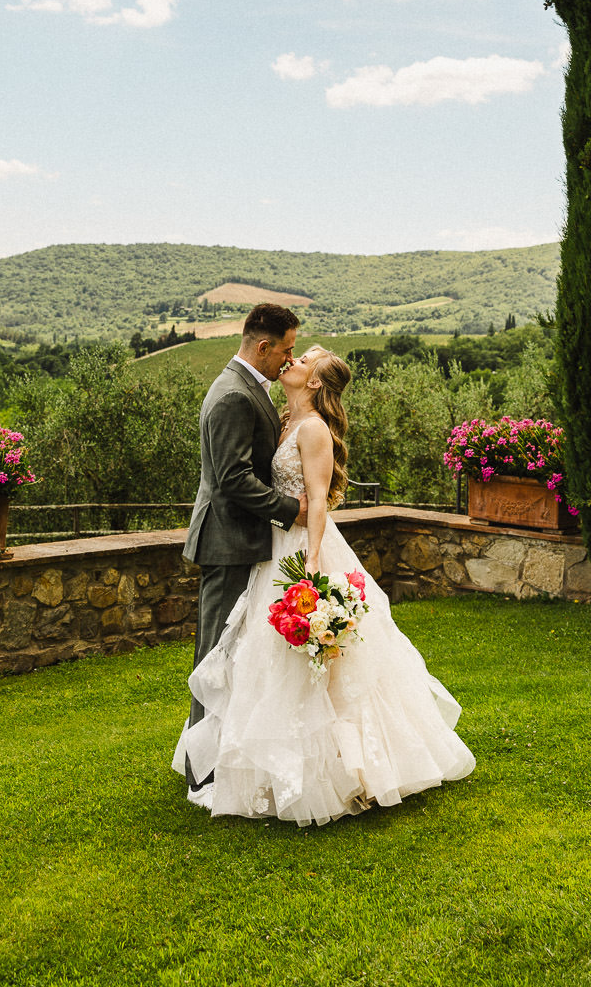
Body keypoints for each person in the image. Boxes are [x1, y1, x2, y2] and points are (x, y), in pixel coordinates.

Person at [173, 342, 475, 823]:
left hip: (301, 549)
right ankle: (250, 764)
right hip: (271, 546)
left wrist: (310, 567)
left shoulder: (313, 430)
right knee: (258, 656)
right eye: (293, 354)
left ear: (314, 382)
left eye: (304, 359)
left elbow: (317, 500)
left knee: (309, 665)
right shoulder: (285, 420)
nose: (293, 361)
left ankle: (334, 770)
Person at [179, 302, 309, 803]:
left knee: (232, 655)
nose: (287, 361)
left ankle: (222, 761)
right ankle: (202, 775)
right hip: (228, 542)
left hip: (239, 540)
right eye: (286, 350)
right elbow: (233, 480)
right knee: (215, 656)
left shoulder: (246, 386)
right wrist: (289, 509)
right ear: (263, 346)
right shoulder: (234, 394)